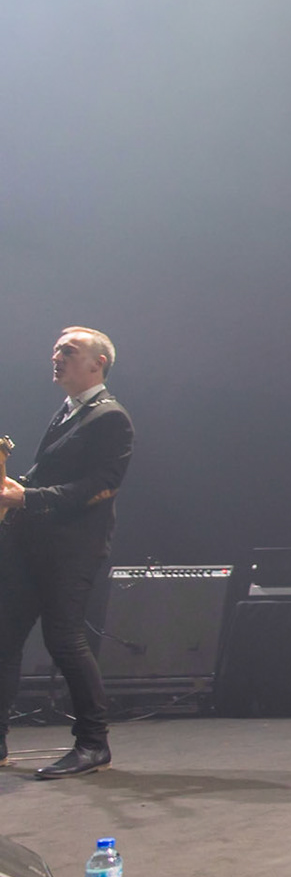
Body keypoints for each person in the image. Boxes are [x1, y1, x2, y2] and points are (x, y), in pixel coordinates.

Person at [0, 328, 135, 779]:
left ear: (98, 363)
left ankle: (94, 744)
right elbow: (55, 475)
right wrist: (20, 489)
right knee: (3, 638)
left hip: (70, 551)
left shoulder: (111, 417)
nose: (56, 356)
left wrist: (27, 498)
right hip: (32, 545)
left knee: (65, 640)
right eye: (56, 349)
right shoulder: (70, 412)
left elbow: (100, 485)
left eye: (68, 351)